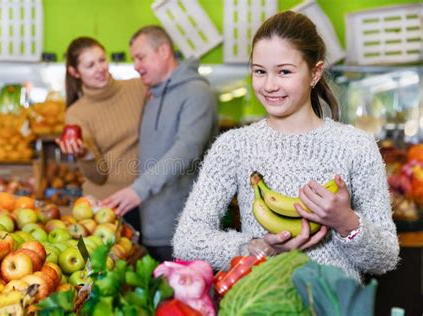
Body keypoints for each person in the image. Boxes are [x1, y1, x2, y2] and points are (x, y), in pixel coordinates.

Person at [173, 11, 399, 281]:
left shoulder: (357, 146)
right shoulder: (233, 146)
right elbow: (186, 240)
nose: (269, 85)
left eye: (284, 72)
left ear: (314, 73)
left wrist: (346, 221)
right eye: (260, 71)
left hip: (334, 307)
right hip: (263, 305)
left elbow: (385, 258)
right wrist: (257, 247)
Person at [103, 26, 217, 262]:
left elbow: (187, 149)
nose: (136, 65)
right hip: (151, 225)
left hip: (183, 228)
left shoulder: (197, 92)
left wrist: (139, 189)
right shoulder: (153, 95)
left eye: (141, 57)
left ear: (164, 51)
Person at [56, 37, 146, 230]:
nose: (100, 68)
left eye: (102, 60)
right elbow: (98, 177)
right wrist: (85, 155)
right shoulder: (77, 113)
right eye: (90, 65)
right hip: (107, 206)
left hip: (147, 195)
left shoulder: (138, 88)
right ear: (75, 72)